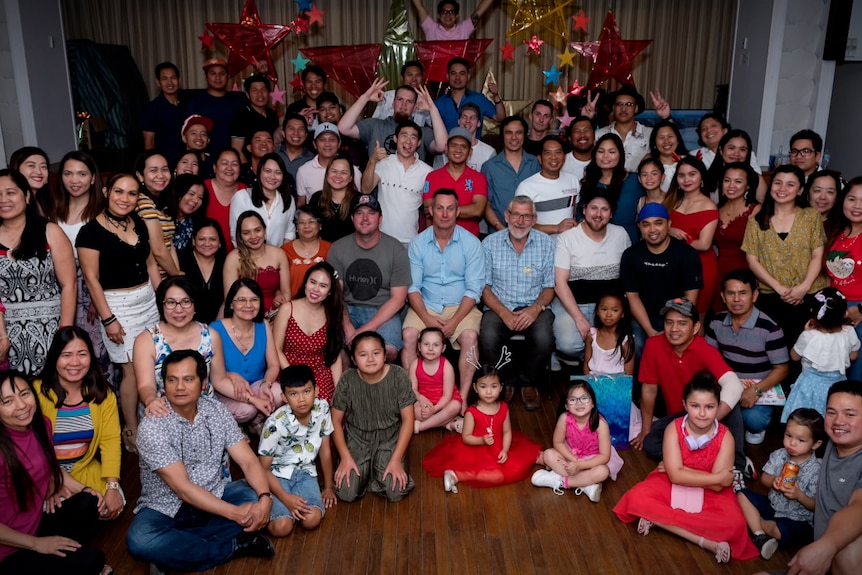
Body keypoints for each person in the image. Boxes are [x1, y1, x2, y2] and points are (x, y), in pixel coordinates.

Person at [126, 350, 275, 573]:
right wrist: (235, 514)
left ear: (203, 383)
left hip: (214, 495)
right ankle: (232, 547)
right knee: (140, 539)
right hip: (167, 507)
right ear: (163, 384)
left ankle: (175, 551)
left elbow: (248, 461)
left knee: (252, 496)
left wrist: (265, 498)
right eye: (172, 380)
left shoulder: (216, 410)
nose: (179, 387)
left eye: (188, 379)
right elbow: (184, 490)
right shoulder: (153, 426)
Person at [614, 372, 759, 563]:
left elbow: (716, 487)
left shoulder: (726, 437)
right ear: (684, 405)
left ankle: (658, 520)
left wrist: (682, 471)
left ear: (718, 407)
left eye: (709, 407)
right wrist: (714, 477)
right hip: (674, 484)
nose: (701, 413)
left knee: (735, 525)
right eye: (695, 406)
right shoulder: (673, 429)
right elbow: (676, 477)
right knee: (636, 497)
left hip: (710, 492)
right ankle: (705, 541)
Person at [77, 173, 160, 453]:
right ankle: (131, 429)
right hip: (118, 307)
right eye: (119, 192)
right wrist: (108, 318)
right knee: (131, 370)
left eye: (132, 193)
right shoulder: (90, 232)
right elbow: (91, 279)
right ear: (106, 191)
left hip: (148, 300)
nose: (125, 199)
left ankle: (155, 419)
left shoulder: (138, 223)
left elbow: (150, 263)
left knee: (155, 362)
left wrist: (163, 298)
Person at [0, 371, 111, 575]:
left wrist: (71, 487)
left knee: (89, 501)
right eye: (8, 401)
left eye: (24, 394)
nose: (21, 405)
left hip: (35, 524)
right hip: (8, 549)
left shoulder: (41, 424)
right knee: (94, 560)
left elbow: (49, 465)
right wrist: (37, 544)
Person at [634, 298, 747, 482]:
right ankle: (697, 461)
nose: (674, 329)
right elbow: (649, 390)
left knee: (731, 406)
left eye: (682, 323)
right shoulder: (654, 345)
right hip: (681, 416)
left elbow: (734, 385)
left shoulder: (703, 348)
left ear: (695, 328)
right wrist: (645, 429)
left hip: (707, 413)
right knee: (651, 444)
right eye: (669, 322)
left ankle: (738, 470)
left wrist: (709, 419)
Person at [135, 277, 268, 425]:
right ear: (161, 305)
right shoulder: (146, 340)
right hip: (163, 409)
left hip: (204, 409)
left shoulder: (210, 335)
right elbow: (145, 386)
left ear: (194, 304)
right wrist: (151, 400)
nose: (179, 309)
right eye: (171, 303)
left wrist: (253, 399)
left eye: (186, 302)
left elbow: (219, 380)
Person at [403, 189, 485, 408]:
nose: (445, 214)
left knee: (469, 337)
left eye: (450, 208)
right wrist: (428, 320)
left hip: (460, 307)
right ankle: (415, 399)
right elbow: (412, 288)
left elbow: (474, 289)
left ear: (458, 211)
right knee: (410, 335)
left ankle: (463, 398)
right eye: (439, 208)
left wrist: (455, 321)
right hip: (426, 305)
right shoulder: (418, 243)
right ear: (430, 211)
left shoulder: (471, 243)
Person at [36, 327, 123, 521]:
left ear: (91, 357)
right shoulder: (36, 392)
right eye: (66, 355)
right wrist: (52, 482)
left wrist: (112, 486)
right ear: (55, 358)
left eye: (82, 354)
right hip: (44, 474)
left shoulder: (102, 394)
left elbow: (110, 441)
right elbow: (30, 448)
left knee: (110, 508)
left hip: (82, 468)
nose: (75, 362)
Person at [479, 196, 555, 410]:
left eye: (526, 216)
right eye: (515, 215)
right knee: (488, 336)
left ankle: (528, 381)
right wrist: (503, 313)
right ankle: (507, 380)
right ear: (506, 216)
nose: (520, 221)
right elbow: (484, 288)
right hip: (499, 305)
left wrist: (535, 309)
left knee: (543, 338)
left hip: (535, 305)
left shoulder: (546, 243)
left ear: (534, 219)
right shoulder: (490, 243)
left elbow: (550, 287)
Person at [779, 381, 862, 575]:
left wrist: (827, 546)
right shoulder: (831, 442)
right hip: (819, 557)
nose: (838, 421)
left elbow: (859, 506)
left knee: (848, 553)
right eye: (831, 412)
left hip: (838, 554)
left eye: (850, 414)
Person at [0, 169, 76, 376]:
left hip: (50, 330)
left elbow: (69, 285)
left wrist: (65, 334)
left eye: (10, 192)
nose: (4, 200)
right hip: (4, 336)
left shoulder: (49, 231)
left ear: (26, 196)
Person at [742, 164, 827, 348]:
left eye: (790, 184)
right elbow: (752, 260)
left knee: (804, 351)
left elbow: (817, 255)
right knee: (771, 350)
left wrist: (803, 287)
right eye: (778, 183)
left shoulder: (811, 216)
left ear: (800, 190)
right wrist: (780, 288)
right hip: (771, 296)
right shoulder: (757, 219)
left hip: (808, 295)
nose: (782, 189)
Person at [423, 362, 542, 492]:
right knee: (498, 476)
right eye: (483, 386)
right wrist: (482, 440)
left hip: (498, 447)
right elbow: (466, 437)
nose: (489, 392)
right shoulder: (472, 412)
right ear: (475, 387)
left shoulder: (503, 407)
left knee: (518, 464)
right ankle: (456, 475)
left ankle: (548, 461)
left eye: (494, 386)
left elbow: (507, 432)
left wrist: (505, 450)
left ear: (501, 387)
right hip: (476, 449)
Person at [53, 151, 115, 388]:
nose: (74, 180)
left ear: (92, 178)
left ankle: (107, 403)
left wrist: (95, 299)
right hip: (63, 288)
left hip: (95, 288)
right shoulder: (54, 212)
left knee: (97, 349)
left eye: (81, 174)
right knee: (68, 349)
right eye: (68, 173)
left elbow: (108, 260)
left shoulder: (102, 213)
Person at [705, 269, 789, 445]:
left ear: (755, 295)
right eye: (731, 293)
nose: (736, 299)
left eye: (743, 293)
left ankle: (752, 427)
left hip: (756, 388)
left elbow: (782, 369)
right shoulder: (716, 322)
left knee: (754, 420)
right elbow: (708, 358)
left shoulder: (770, 328)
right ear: (723, 296)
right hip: (726, 383)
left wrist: (756, 390)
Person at [331, 331, 416, 502]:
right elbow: (335, 420)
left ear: (385, 355)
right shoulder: (347, 379)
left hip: (390, 438)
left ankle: (376, 469)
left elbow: (408, 420)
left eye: (376, 353)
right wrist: (345, 457)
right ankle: (368, 471)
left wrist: (396, 459)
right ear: (354, 360)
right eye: (363, 354)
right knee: (347, 492)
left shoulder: (398, 376)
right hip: (358, 438)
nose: (370, 359)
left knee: (396, 491)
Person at [327, 194, 410, 363]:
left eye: (371, 213)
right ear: (352, 218)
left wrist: (364, 330)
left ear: (380, 218)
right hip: (347, 310)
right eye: (359, 213)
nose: (365, 218)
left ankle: (379, 388)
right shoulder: (338, 248)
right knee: (335, 348)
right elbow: (336, 294)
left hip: (382, 310)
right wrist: (348, 325)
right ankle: (349, 387)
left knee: (388, 350)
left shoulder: (396, 249)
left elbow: (399, 299)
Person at [258, 364, 336, 537]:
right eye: (294, 394)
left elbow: (325, 451)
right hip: (276, 475)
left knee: (312, 519)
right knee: (282, 527)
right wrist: (286, 498)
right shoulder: (275, 423)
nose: (301, 399)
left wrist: (328, 487)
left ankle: (291, 508)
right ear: (284, 397)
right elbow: (262, 468)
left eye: (306, 391)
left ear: (316, 390)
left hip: (305, 472)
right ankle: (277, 509)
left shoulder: (322, 408)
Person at [553, 189, 630, 359]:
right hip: (575, 304)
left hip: (611, 306)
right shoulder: (567, 238)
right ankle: (584, 361)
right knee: (569, 344)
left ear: (611, 214)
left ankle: (598, 366)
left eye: (605, 209)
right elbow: (560, 283)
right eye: (593, 208)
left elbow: (628, 276)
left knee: (626, 342)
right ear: (584, 210)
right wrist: (579, 318)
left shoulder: (621, 235)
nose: (598, 214)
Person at [738, 408, 823, 560]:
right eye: (788, 435)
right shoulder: (779, 455)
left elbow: (817, 505)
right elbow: (764, 480)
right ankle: (760, 535)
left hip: (798, 518)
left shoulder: (817, 469)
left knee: (781, 532)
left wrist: (799, 496)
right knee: (742, 494)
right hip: (773, 505)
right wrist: (773, 481)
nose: (792, 442)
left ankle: (755, 523)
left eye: (801, 440)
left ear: (816, 444)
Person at [532, 380, 624, 501]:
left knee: (602, 472)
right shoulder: (564, 418)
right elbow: (558, 442)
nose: (579, 403)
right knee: (549, 454)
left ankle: (561, 481)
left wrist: (580, 465)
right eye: (573, 399)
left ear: (592, 403)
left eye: (584, 398)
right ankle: (586, 484)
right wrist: (573, 461)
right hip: (571, 456)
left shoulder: (601, 424)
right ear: (566, 405)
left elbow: (604, 456)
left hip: (593, 459)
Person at [620, 203, 702, 339]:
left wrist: (673, 326)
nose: (652, 230)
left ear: (669, 224)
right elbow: (632, 297)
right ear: (639, 227)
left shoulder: (687, 254)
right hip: (642, 317)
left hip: (677, 316)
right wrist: (650, 331)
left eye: (658, 223)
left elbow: (690, 299)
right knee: (638, 344)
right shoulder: (631, 255)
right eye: (646, 224)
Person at [781, 287, 859, 421]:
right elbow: (853, 356)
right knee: (831, 419)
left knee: (805, 421)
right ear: (845, 313)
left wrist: (805, 332)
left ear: (813, 313)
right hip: (836, 387)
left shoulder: (808, 336)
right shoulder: (849, 333)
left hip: (808, 387)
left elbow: (794, 356)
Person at [272, 262, 344, 403]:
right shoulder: (288, 308)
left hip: (319, 371)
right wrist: (294, 377)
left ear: (330, 291)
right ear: (305, 283)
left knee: (322, 406)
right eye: (312, 282)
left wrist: (339, 390)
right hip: (288, 368)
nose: (316, 289)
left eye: (323, 286)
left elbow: (334, 355)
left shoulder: (332, 314)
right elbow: (276, 348)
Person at [211, 279, 281, 421]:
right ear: (231, 303)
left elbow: (273, 365)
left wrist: (266, 384)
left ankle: (255, 421)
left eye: (254, 299)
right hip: (226, 389)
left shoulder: (263, 325)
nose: (248, 305)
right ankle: (235, 426)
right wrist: (231, 376)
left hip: (255, 384)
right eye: (241, 300)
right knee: (247, 409)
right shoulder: (215, 329)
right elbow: (212, 374)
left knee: (277, 394)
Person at [338, 79, 447, 162]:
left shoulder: (421, 132)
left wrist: (433, 109)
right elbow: (344, 128)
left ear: (415, 107)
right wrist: (365, 98)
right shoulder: (375, 125)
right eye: (400, 99)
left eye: (409, 101)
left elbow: (442, 145)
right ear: (393, 103)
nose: (404, 104)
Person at [362, 120, 433, 245]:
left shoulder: (427, 172)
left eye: (413, 137)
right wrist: (372, 161)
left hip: (411, 241)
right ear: (395, 138)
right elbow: (365, 189)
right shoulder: (383, 163)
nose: (408, 141)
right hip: (381, 238)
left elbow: (430, 208)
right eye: (404, 135)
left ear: (419, 143)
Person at [664, 157, 718, 318]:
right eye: (682, 175)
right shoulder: (671, 202)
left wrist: (673, 237)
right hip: (672, 265)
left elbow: (703, 244)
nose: (687, 179)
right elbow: (656, 230)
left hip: (701, 266)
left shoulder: (709, 206)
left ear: (701, 178)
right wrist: (669, 231)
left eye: (692, 174)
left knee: (695, 317)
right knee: (672, 315)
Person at [825, 176, 862, 380]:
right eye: (852, 199)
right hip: (835, 311)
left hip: (859, 313)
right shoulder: (835, 232)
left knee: (856, 378)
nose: (857, 206)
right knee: (832, 376)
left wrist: (860, 310)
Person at [578, 132, 645, 243]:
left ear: (620, 155)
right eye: (601, 151)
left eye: (612, 152)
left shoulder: (635, 181)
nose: (605, 156)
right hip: (595, 242)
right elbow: (581, 214)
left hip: (628, 241)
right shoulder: (589, 182)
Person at [422, 126, 489, 236]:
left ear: (470, 152)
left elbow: (478, 210)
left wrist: (441, 210)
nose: (458, 150)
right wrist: (465, 209)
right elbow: (430, 209)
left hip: (468, 242)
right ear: (446, 148)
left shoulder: (478, 178)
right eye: (454, 145)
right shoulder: (432, 177)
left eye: (463, 146)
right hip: (438, 240)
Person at [590, 85, 672, 172]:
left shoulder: (650, 134)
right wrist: (586, 118)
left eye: (629, 104)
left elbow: (671, 145)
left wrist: (666, 117)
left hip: (642, 184)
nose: (623, 108)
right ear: (613, 107)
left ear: (636, 108)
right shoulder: (600, 135)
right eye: (619, 104)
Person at [224, 211, 291, 317]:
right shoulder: (233, 258)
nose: (253, 236)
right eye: (246, 233)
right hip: (245, 314)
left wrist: (281, 301)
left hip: (275, 314)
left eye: (257, 230)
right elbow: (230, 298)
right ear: (240, 236)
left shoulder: (279, 254)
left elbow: (286, 293)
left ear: (264, 230)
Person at [713, 162, 761, 310]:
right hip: (717, 272)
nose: (731, 185)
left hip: (745, 273)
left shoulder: (756, 209)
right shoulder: (716, 208)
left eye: (738, 181)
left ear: (747, 186)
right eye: (727, 180)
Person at [482, 115, 541, 234]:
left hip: (531, 234)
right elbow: (485, 205)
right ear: (502, 136)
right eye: (509, 133)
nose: (514, 137)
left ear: (524, 135)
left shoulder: (535, 163)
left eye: (518, 132)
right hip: (498, 234)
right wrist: (502, 231)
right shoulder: (489, 167)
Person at [514, 136, 579, 236]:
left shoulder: (573, 180)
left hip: (568, 245)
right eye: (548, 153)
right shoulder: (526, 187)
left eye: (558, 152)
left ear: (564, 157)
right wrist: (556, 228)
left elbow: (574, 212)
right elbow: (520, 223)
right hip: (539, 245)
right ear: (539, 158)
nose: (554, 157)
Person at [230, 152, 296, 246]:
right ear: (259, 171)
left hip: (277, 258)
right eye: (268, 171)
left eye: (278, 173)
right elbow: (235, 236)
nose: (272, 177)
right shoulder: (242, 197)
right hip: (247, 258)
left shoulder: (288, 200)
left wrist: (278, 257)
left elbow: (289, 233)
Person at [134, 151, 182, 277]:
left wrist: (176, 275)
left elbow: (169, 245)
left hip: (168, 276)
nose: (160, 175)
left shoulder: (163, 202)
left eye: (164, 170)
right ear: (140, 176)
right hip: (151, 279)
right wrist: (177, 275)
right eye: (153, 170)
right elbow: (158, 250)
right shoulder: (142, 202)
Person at [186, 57, 247, 150]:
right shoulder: (196, 102)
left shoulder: (239, 99)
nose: (218, 77)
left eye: (222, 73)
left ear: (228, 76)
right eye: (212, 73)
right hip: (207, 157)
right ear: (206, 77)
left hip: (235, 157)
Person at [434, 57, 505, 136]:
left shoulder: (479, 99)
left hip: (474, 147)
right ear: (447, 76)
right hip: (448, 147)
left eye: (462, 73)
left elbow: (500, 118)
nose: (457, 77)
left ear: (468, 76)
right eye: (454, 73)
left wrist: (496, 95)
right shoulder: (438, 103)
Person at [295, 123, 362, 207]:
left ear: (339, 144)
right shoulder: (303, 171)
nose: (327, 144)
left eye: (332, 139)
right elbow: (301, 203)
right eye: (322, 140)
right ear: (315, 144)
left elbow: (359, 202)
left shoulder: (353, 170)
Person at [410, 327, 462, 433]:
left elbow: (447, 395)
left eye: (436, 345)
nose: (430, 348)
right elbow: (413, 390)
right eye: (426, 344)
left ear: (443, 348)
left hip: (443, 404)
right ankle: (446, 423)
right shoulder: (415, 365)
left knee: (456, 406)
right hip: (424, 403)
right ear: (419, 346)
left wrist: (434, 409)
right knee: (411, 410)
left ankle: (421, 427)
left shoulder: (446, 366)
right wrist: (422, 400)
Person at [177, 218, 226, 324]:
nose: (207, 244)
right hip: (184, 323)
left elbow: (227, 300)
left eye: (212, 239)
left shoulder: (226, 263)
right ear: (194, 241)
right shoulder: (180, 261)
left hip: (219, 323)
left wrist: (217, 327)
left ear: (219, 242)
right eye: (202, 239)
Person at [307, 155, 360, 243]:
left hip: (351, 252)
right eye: (334, 171)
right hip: (323, 252)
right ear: (327, 174)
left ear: (350, 177)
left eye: (343, 172)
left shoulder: (359, 201)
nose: (338, 176)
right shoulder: (316, 198)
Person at [282, 205, 330, 299]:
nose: (306, 226)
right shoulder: (285, 251)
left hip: (322, 306)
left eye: (311, 222)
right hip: (292, 305)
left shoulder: (330, 249)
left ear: (320, 225)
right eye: (302, 222)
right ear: (296, 226)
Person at [707, 129, 767, 203]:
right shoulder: (708, 177)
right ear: (721, 150)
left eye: (742, 149)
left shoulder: (755, 178)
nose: (737, 153)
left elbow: (765, 210)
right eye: (731, 148)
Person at [583, 292, 635, 376]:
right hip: (593, 382)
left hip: (616, 385)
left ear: (623, 313)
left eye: (615, 310)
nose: (608, 314)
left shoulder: (626, 341)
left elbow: (628, 374)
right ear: (597, 311)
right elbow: (586, 364)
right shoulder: (592, 335)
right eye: (604, 309)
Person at [205, 147, 248, 251]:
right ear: (215, 167)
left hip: (240, 255)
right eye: (224, 163)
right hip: (207, 254)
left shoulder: (246, 191)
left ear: (239, 169)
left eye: (234, 164)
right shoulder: (203, 189)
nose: (229, 168)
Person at [142, 61, 186, 162]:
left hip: (186, 161)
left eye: (173, 78)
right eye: (164, 79)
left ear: (179, 80)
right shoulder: (152, 108)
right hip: (165, 162)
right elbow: (149, 141)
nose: (170, 82)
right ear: (158, 82)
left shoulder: (187, 103)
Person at [433, 103, 496, 171]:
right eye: (464, 117)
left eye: (473, 118)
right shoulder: (446, 148)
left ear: (478, 123)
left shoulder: (489, 153)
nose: (468, 121)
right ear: (459, 121)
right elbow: (437, 177)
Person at [230, 73, 279, 153]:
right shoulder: (241, 117)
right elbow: (237, 149)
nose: (260, 94)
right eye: (254, 90)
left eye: (263, 90)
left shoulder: (272, 115)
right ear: (248, 95)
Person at [372, 60, 431, 126]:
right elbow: (375, 121)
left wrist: (431, 109)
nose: (414, 79)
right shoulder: (387, 96)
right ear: (402, 78)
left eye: (418, 75)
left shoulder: (424, 100)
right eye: (410, 75)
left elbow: (432, 125)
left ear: (422, 79)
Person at [160, 173, 207, 252]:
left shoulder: (197, 224)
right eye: (191, 194)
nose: (195, 200)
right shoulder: (161, 217)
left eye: (200, 197)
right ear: (178, 192)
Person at [411, 0, 495, 40]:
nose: (448, 15)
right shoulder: (431, 28)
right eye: (444, 12)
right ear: (439, 16)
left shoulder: (463, 29)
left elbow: (479, 11)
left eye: (451, 12)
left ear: (456, 16)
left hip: (457, 73)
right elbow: (419, 7)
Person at [8, 147, 51, 217]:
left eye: (43, 167)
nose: (39, 172)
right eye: (31, 166)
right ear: (16, 169)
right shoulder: (10, 203)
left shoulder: (47, 202)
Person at [648, 119, 688, 192]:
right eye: (661, 137)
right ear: (654, 142)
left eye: (670, 136)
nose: (666, 141)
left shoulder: (690, 162)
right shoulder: (649, 167)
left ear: (678, 139)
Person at [276, 112, 314, 181]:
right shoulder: (274, 153)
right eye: (291, 128)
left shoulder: (312, 160)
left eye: (300, 129)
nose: (296, 133)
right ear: (283, 133)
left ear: (306, 135)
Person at [560, 116, 596, 183]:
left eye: (586, 130)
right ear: (570, 138)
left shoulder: (603, 160)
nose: (582, 135)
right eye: (577, 131)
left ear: (594, 135)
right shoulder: (561, 162)